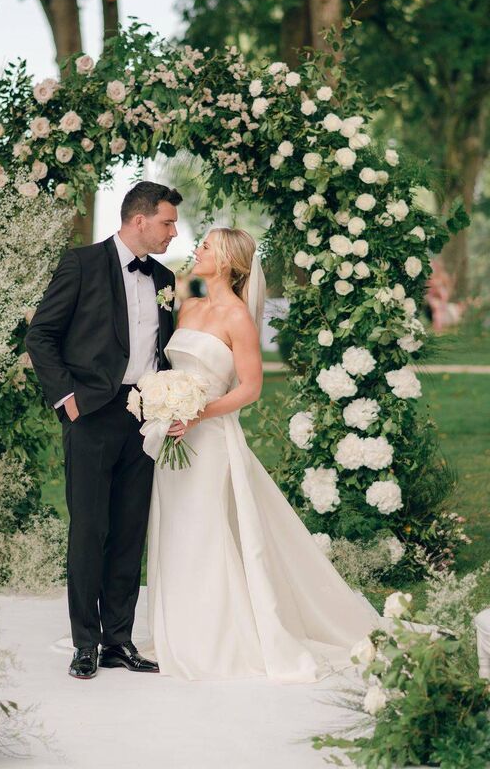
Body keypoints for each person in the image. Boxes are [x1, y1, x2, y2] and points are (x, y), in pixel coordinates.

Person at [146, 227, 382, 682]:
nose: (198, 250)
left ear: (229, 262)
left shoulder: (238, 318)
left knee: (205, 531)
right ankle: (176, 627)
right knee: (174, 528)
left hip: (209, 439)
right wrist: (164, 401)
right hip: (174, 438)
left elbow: (250, 389)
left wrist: (198, 413)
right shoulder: (188, 304)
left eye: (207, 246)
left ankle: (214, 638)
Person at [26, 181, 181, 679]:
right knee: (90, 529)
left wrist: (170, 400)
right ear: (139, 220)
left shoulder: (164, 278)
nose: (173, 233)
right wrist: (67, 400)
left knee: (130, 530)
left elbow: (164, 348)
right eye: (167, 222)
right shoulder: (82, 263)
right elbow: (41, 335)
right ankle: (85, 644)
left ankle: (118, 640)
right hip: (91, 413)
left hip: (146, 416)